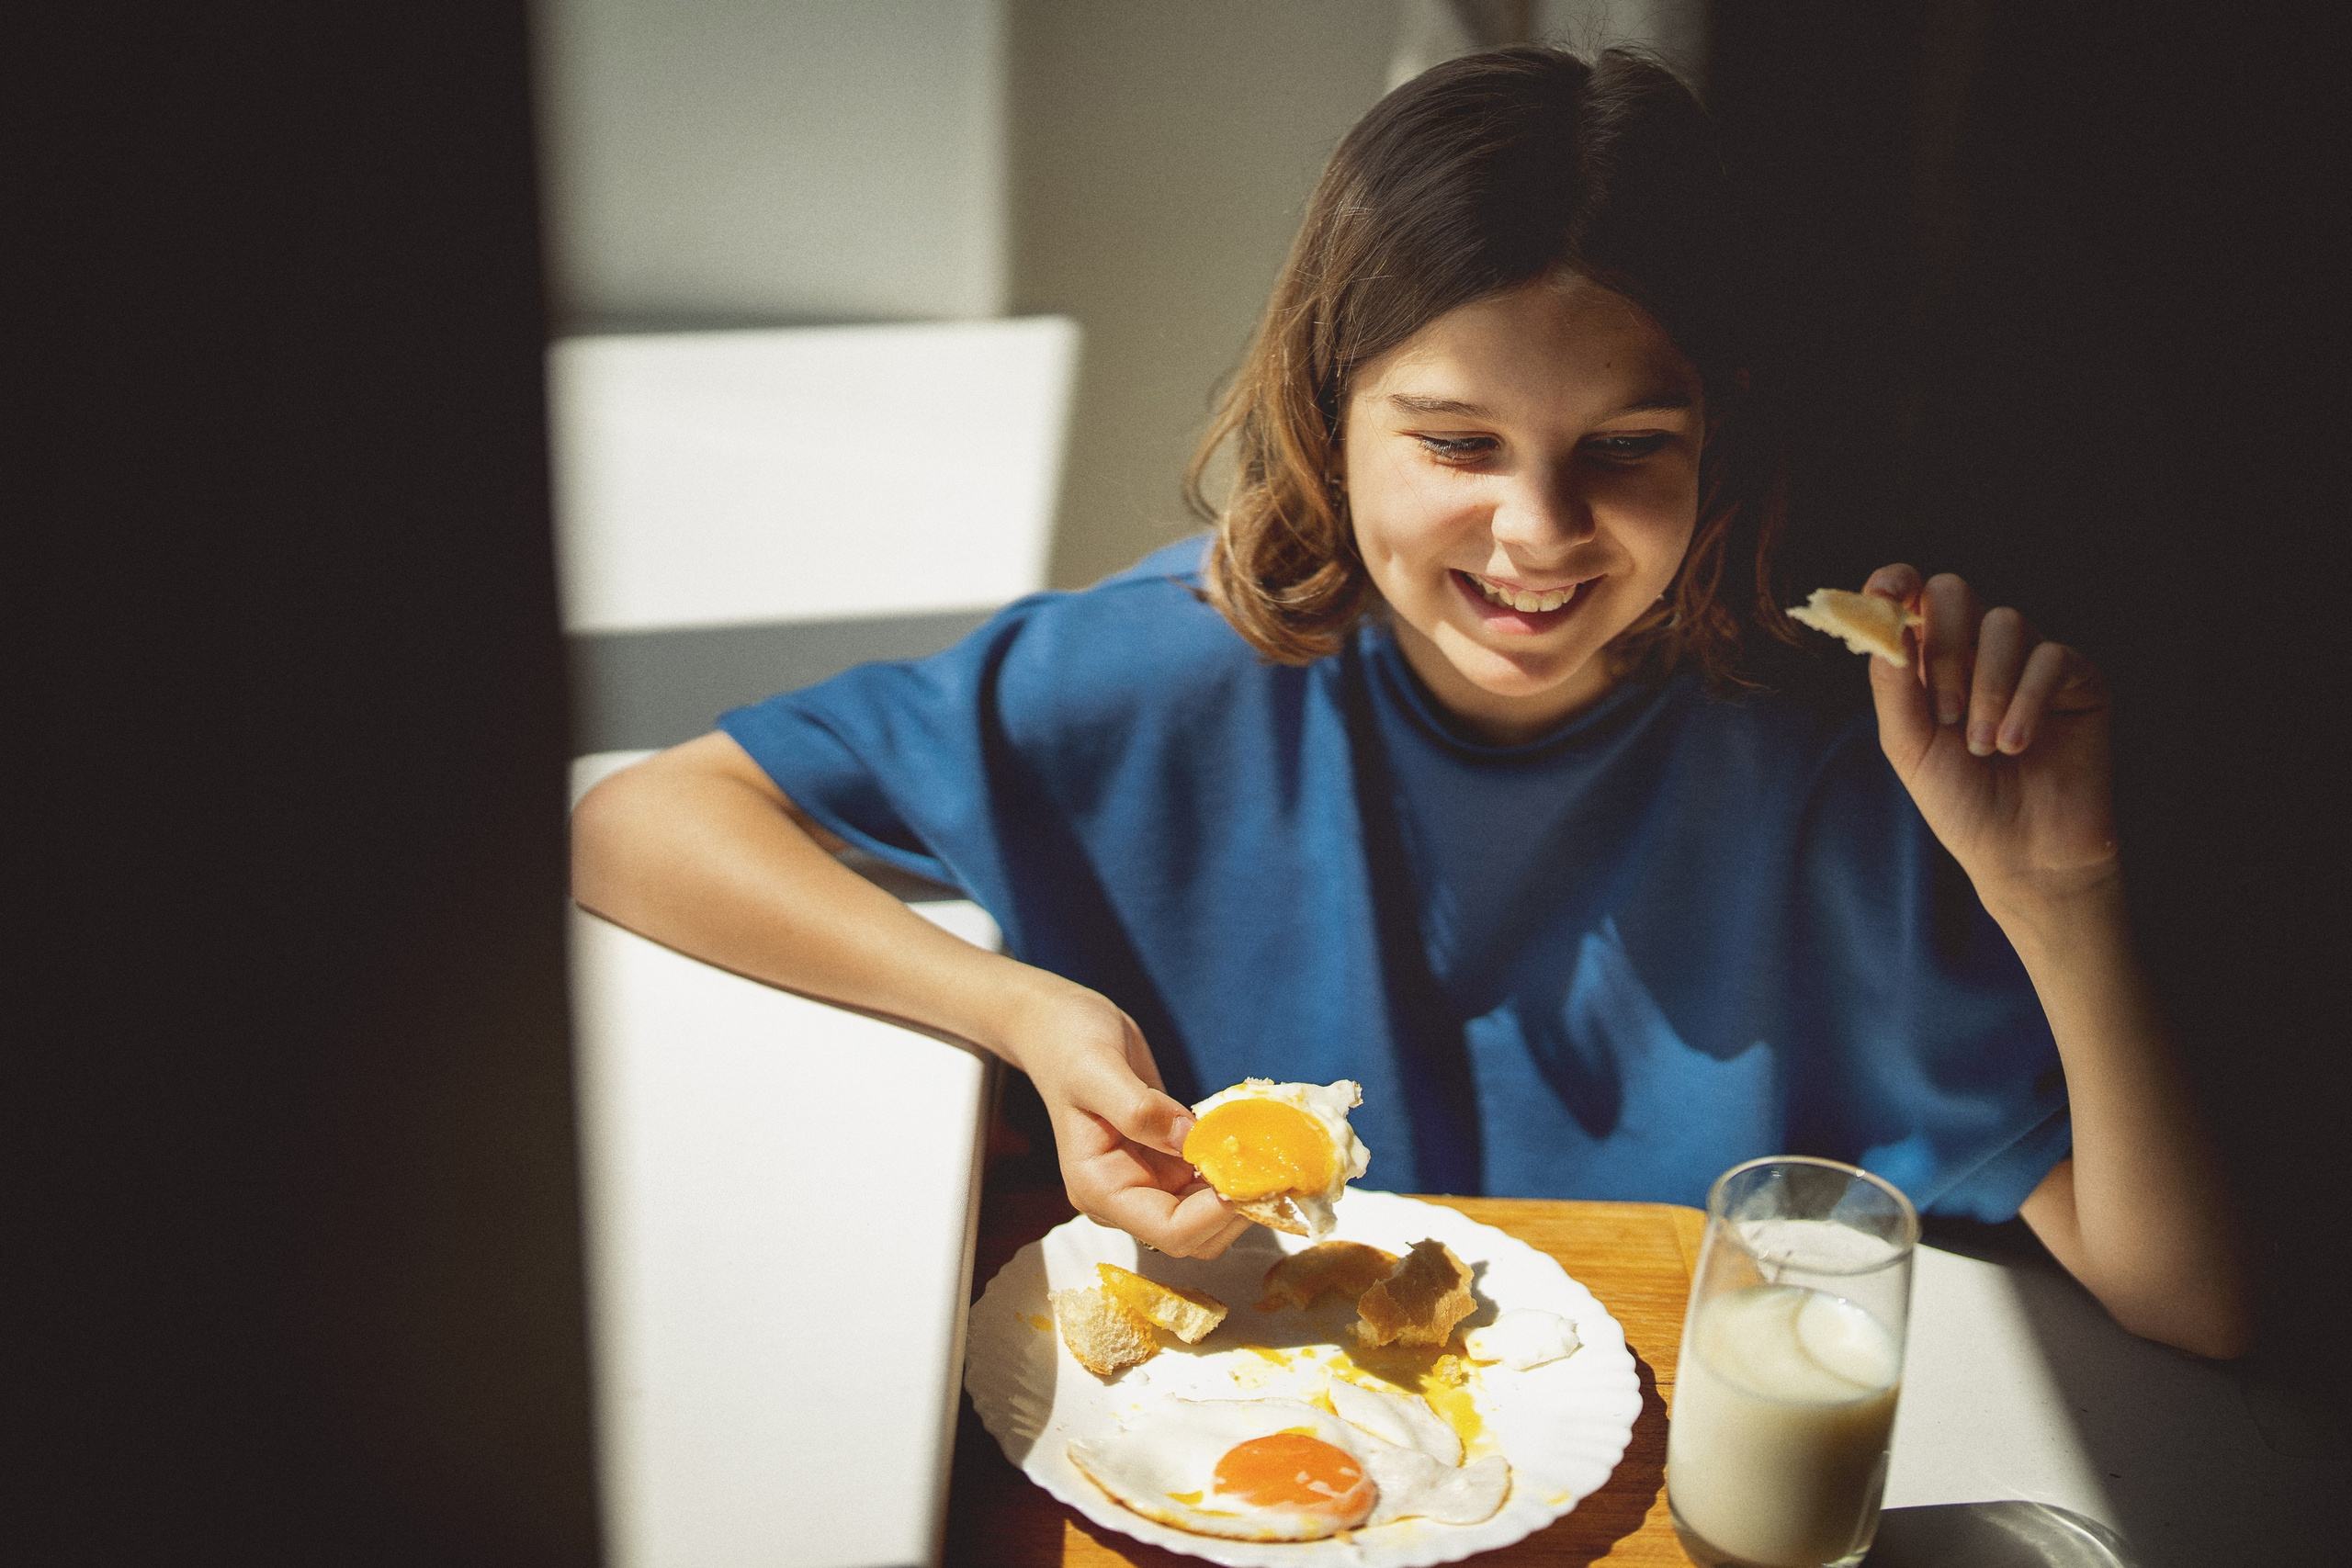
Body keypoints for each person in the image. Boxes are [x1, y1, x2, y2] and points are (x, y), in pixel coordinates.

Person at [571, 47, 2246, 1357]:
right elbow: (642, 820)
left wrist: (2060, 898)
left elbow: (2191, 1298)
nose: (1536, 533)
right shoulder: (1174, 670)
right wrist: (1022, 1013)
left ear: (1720, 437)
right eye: (1456, 443)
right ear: (1330, 409)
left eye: (1625, 452)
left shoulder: (1828, 757)